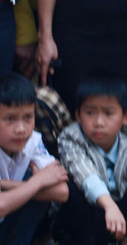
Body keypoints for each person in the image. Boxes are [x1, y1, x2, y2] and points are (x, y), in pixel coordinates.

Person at [55, 78, 127, 245]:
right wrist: (109, 206)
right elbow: (85, 175)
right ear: (78, 115)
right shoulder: (71, 137)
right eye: (90, 113)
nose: (99, 123)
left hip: (122, 202)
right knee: (73, 191)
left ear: (126, 116)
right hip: (91, 210)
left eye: (108, 113)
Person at [0, 73, 69, 243]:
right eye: (10, 119)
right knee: (39, 182)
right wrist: (37, 182)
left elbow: (63, 192)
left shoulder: (32, 141)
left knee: (40, 185)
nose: (21, 129)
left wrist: (7, 186)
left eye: (27, 117)